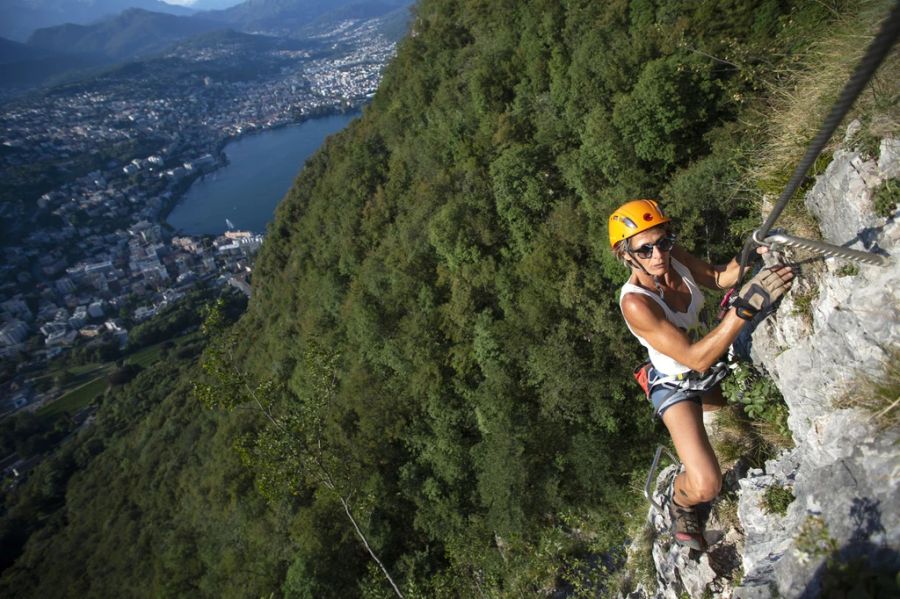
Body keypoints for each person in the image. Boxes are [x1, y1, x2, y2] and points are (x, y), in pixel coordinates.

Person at [609, 199, 794, 550]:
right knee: (708, 484)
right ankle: (679, 500)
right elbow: (695, 359)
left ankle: (693, 466)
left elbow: (721, 277)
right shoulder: (636, 303)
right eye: (644, 249)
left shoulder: (673, 257)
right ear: (625, 255)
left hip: (710, 366)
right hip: (678, 384)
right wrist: (746, 305)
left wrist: (750, 249)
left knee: (734, 438)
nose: (658, 254)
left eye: (663, 241)